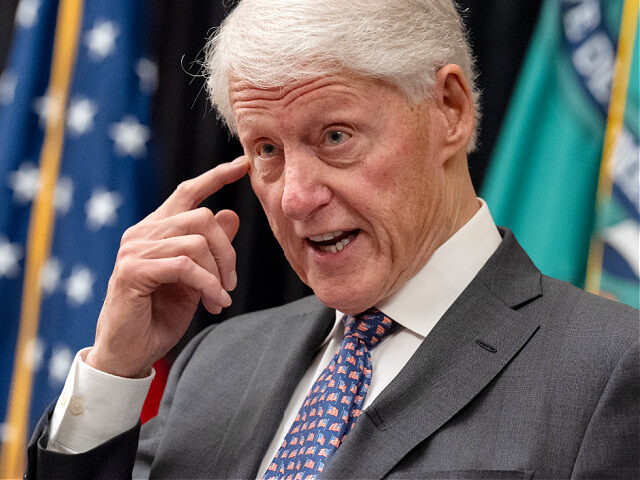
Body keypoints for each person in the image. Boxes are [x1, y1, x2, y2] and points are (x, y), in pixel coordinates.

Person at [27, 0, 639, 479]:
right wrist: (115, 369)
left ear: (450, 110)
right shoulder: (213, 366)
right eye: (266, 149)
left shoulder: (609, 368)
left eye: (335, 137)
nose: (294, 196)